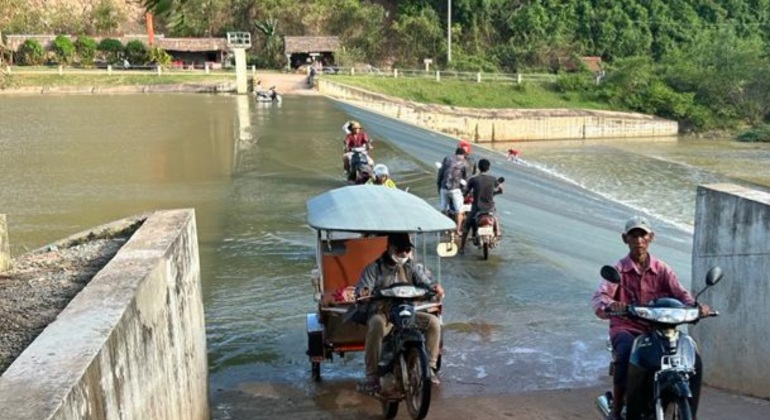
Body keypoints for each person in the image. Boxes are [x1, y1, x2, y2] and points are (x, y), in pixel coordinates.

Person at [591, 216, 711, 420]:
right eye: (633, 235)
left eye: (643, 235)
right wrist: (612, 305)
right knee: (626, 350)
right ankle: (617, 408)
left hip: (659, 329)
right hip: (627, 327)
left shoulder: (662, 269)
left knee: (688, 349)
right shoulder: (619, 269)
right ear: (625, 238)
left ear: (651, 238)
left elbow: (681, 295)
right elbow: (599, 297)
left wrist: (698, 308)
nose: (638, 240)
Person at [354, 233, 445, 392]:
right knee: (375, 324)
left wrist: (435, 288)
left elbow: (427, 283)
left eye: (407, 250)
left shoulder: (412, 267)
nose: (404, 254)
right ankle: (372, 376)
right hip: (385, 315)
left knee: (434, 323)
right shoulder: (374, 268)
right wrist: (364, 292)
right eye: (400, 250)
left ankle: (429, 367)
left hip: (407, 312)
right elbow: (363, 288)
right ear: (390, 248)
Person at [458, 158, 503, 254]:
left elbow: (466, 192)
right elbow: (501, 189)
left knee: (466, 227)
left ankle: (462, 248)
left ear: (478, 168)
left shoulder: (473, 179)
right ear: (488, 168)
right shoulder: (493, 179)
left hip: (477, 208)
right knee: (495, 217)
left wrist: (464, 196)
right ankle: (498, 233)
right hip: (489, 208)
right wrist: (497, 191)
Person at [437, 147, 468, 235]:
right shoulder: (464, 163)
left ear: (455, 153)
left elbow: (440, 173)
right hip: (455, 189)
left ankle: (445, 229)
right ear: (463, 155)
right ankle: (458, 230)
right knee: (460, 211)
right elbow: (466, 179)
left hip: (444, 188)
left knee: (444, 209)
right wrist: (464, 192)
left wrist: (439, 186)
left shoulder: (446, 159)